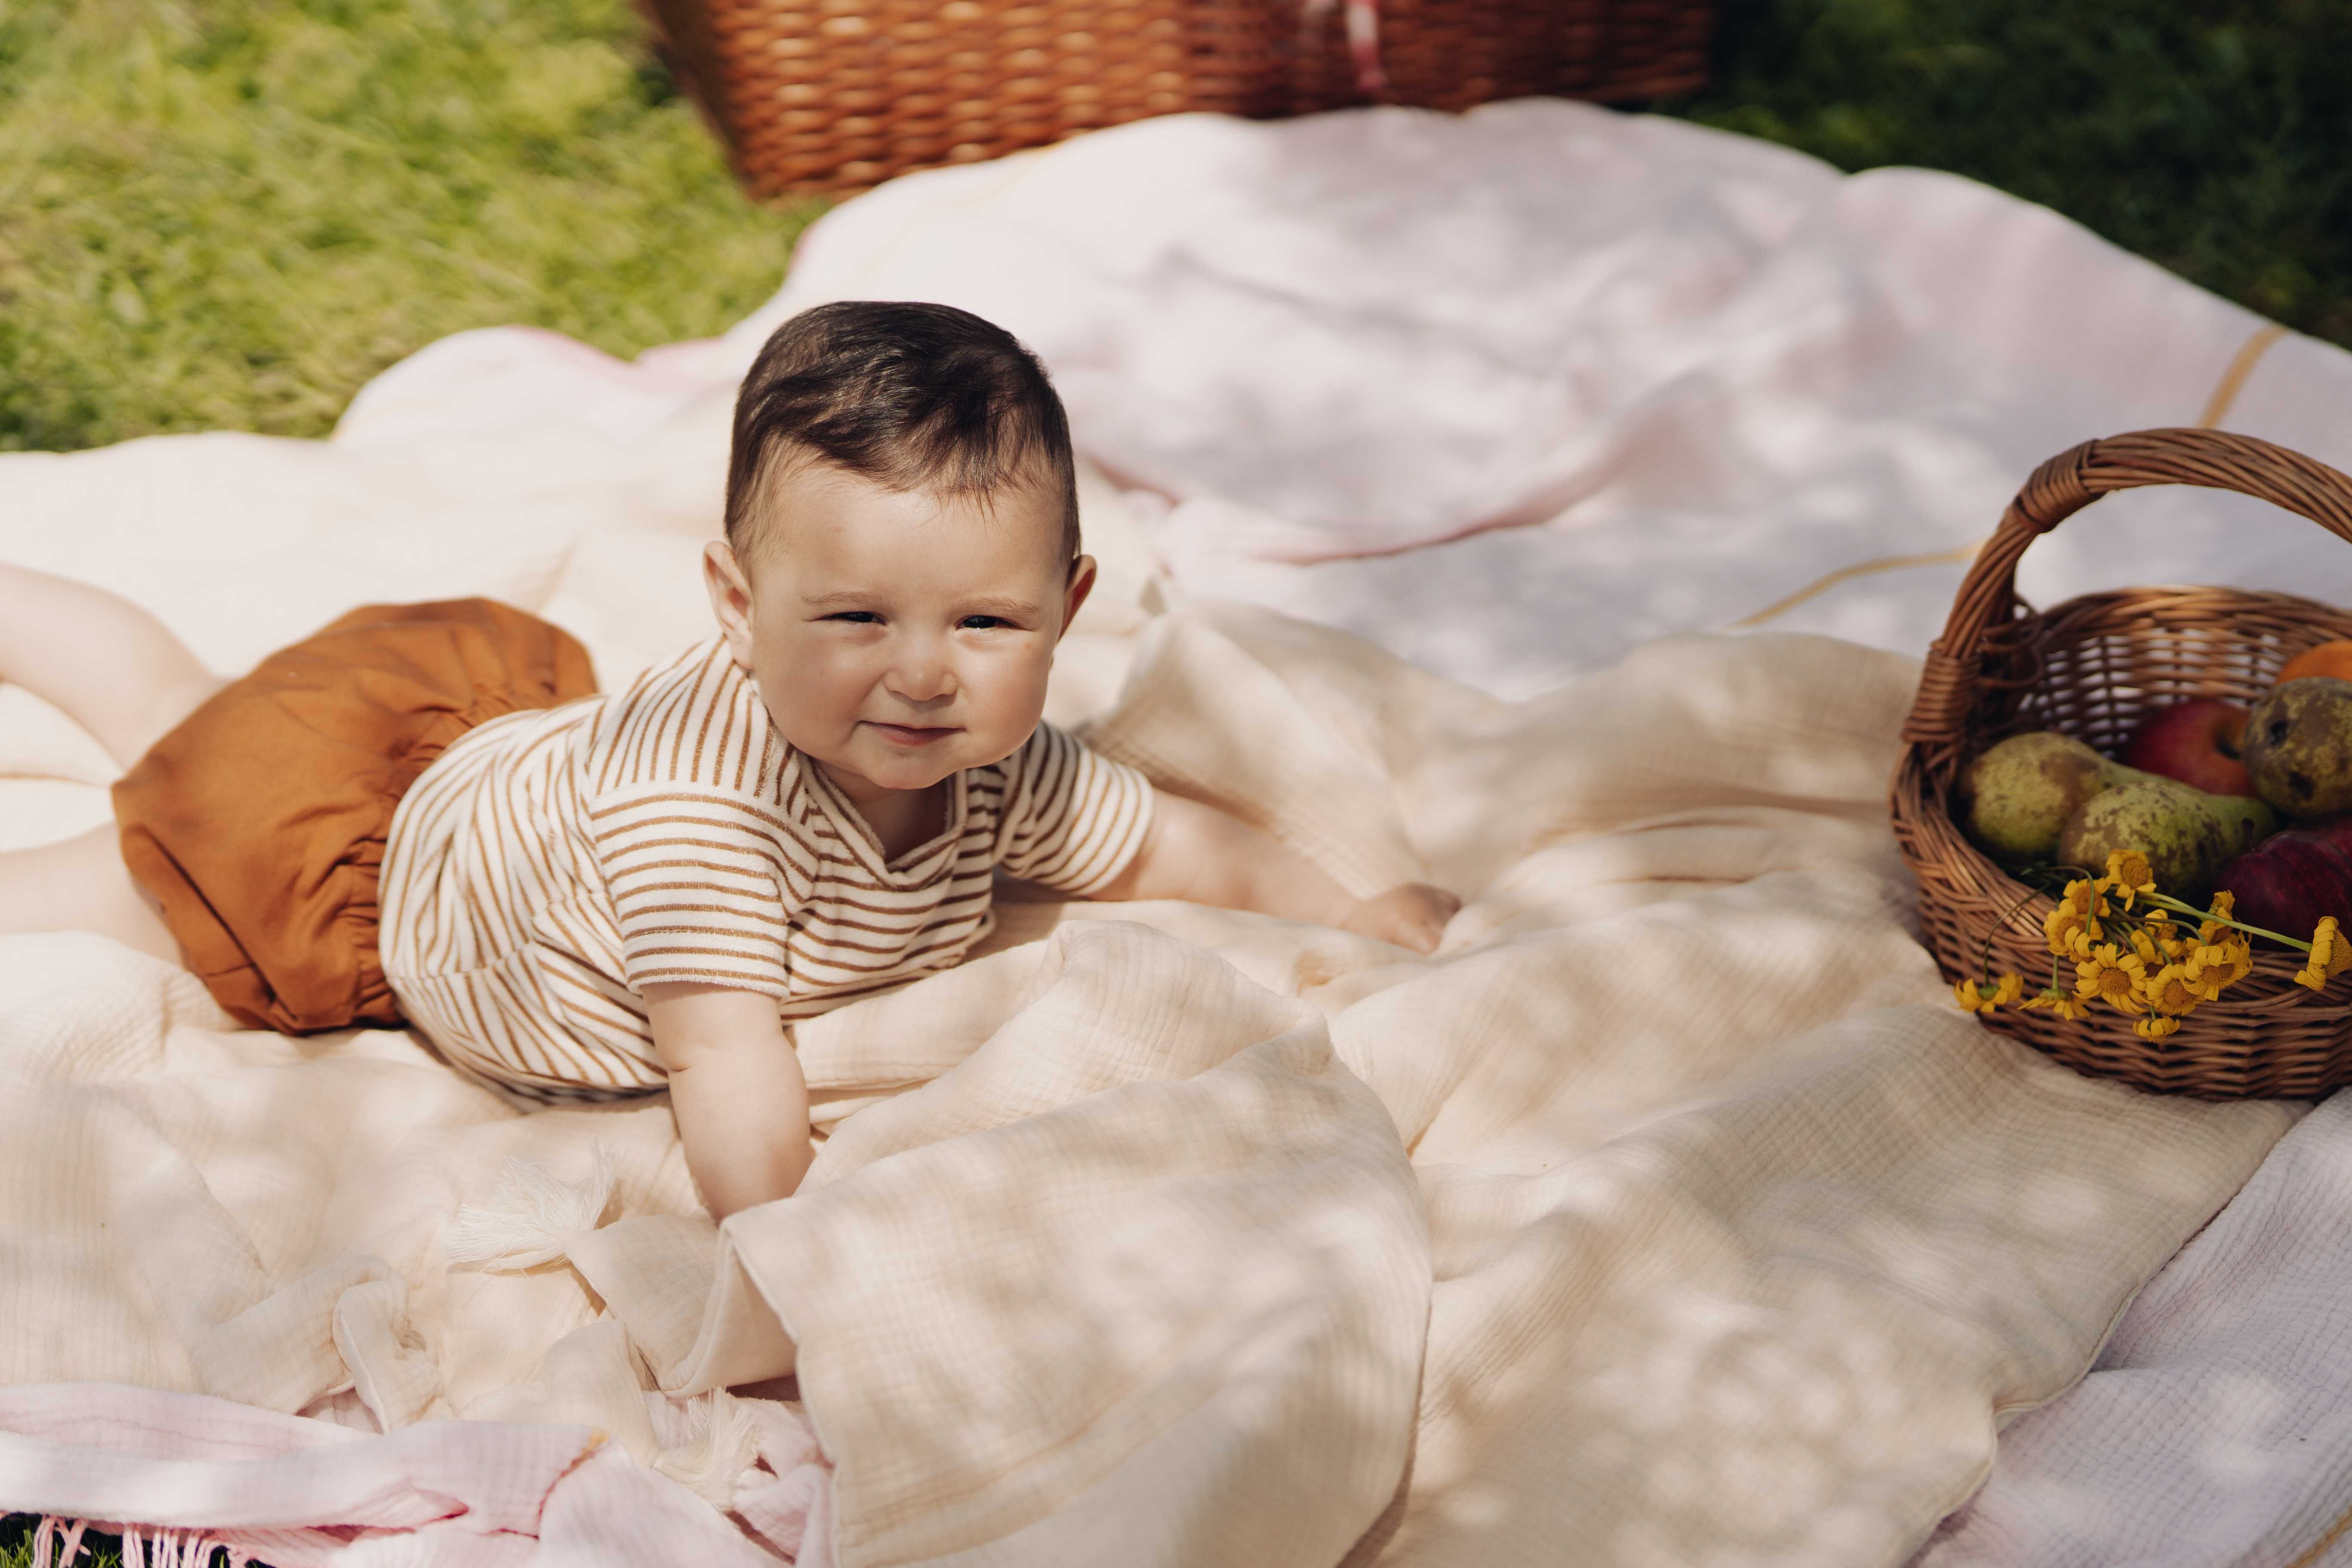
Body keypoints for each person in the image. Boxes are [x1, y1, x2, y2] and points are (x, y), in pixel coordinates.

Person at [0, 301, 1459, 1220]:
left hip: (497, 762)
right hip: (372, 881)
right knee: (130, 851)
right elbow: (726, 1064)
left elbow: (1169, 847)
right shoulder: (705, 824)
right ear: (733, 605)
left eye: (988, 620)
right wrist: (791, 1254)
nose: (923, 670)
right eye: (853, 617)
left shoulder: (993, 754)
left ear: (1066, 611)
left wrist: (1358, 911)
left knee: (182, 698)